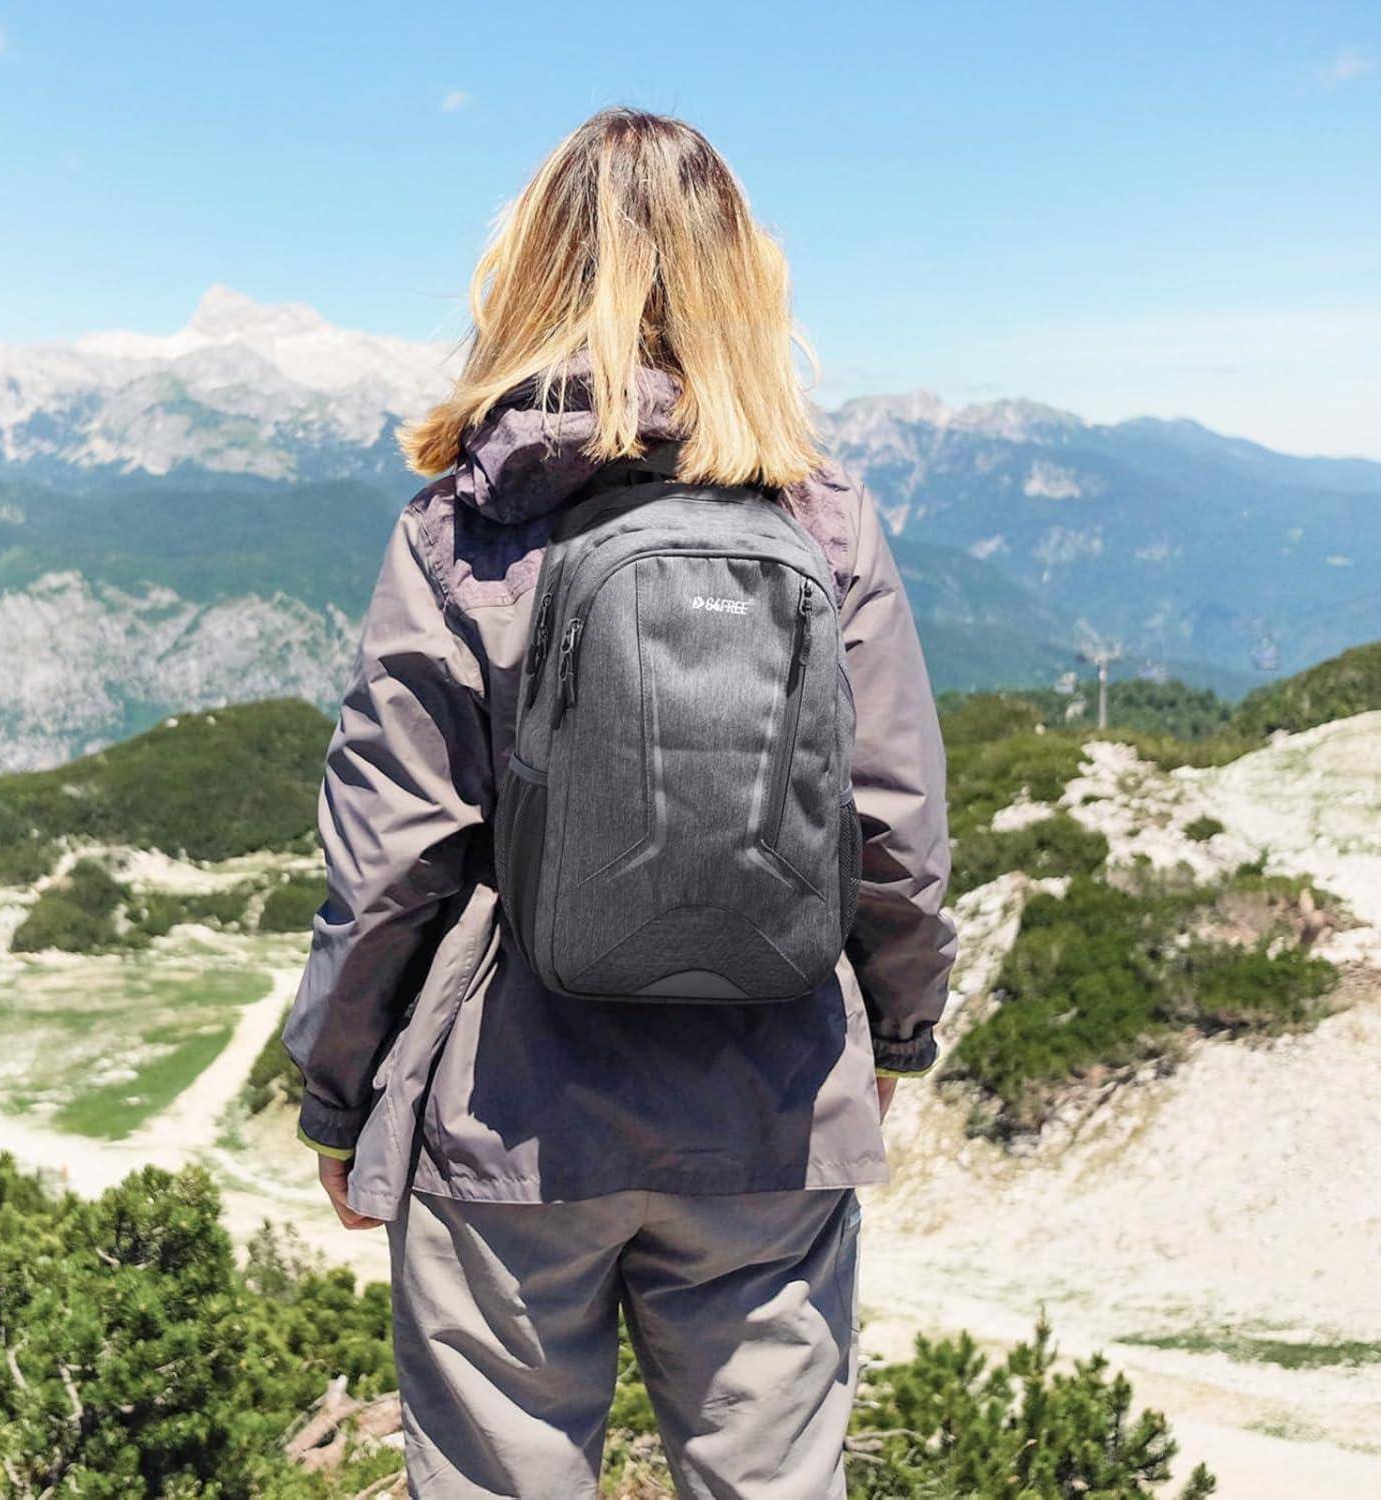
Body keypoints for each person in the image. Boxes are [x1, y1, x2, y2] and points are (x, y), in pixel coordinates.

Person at [283, 107, 956, 1500]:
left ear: (529, 272)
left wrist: (339, 1098)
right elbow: (890, 823)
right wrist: (894, 1031)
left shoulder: (461, 525)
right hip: (770, 1106)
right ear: (740, 283)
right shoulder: (825, 522)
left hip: (509, 1119)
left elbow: (394, 854)